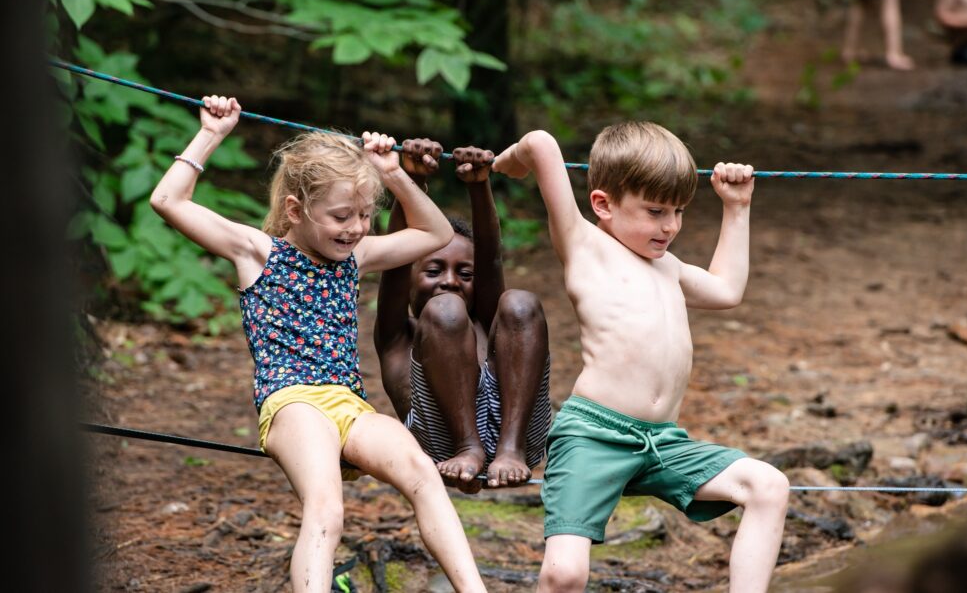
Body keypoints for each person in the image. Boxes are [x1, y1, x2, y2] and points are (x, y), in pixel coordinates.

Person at [150, 96, 485, 593]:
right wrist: (212, 133)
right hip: (292, 402)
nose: (355, 228)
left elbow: (435, 232)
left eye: (365, 215)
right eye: (341, 216)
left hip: (348, 403)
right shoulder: (257, 253)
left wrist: (390, 172)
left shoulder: (357, 256)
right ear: (295, 209)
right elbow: (168, 201)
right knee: (327, 506)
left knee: (421, 473)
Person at [492, 123, 790, 592]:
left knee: (768, 486)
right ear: (603, 205)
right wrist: (504, 165)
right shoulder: (584, 245)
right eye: (654, 212)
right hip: (594, 436)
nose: (669, 226)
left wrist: (736, 207)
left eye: (677, 212)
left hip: (663, 442)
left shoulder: (669, 267)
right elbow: (541, 143)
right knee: (564, 573)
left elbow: (727, 290)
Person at [374, 138, 552, 492]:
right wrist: (411, 182)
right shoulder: (397, 336)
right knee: (445, 311)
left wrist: (479, 185)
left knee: (520, 302)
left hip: (520, 440)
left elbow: (491, 260)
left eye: (465, 275)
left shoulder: (487, 324)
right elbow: (395, 263)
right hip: (441, 447)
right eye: (434, 270)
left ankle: (510, 447)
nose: (451, 281)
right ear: (409, 276)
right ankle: (466, 444)